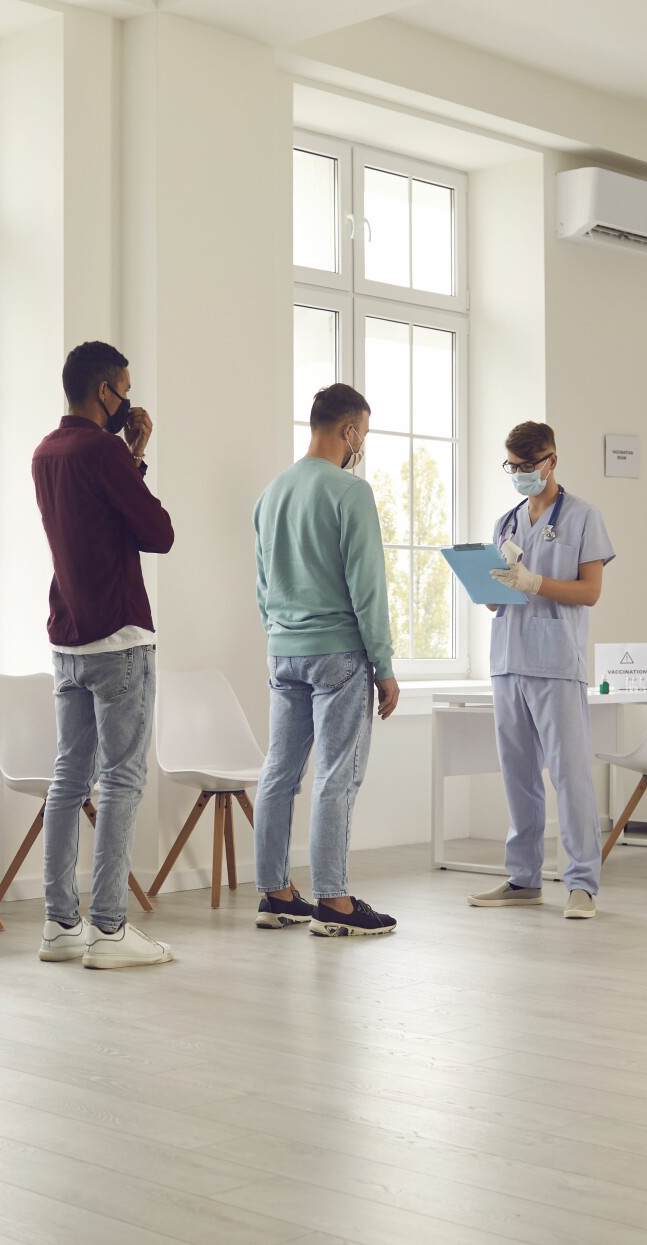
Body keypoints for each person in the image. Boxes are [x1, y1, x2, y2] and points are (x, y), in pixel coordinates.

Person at [32, 341, 176, 969]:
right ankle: (110, 930)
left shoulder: (47, 452)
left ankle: (60, 925)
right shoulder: (101, 450)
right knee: (121, 780)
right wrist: (133, 455)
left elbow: (97, 520)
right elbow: (158, 532)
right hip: (119, 637)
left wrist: (133, 456)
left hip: (67, 636)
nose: (128, 399)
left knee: (68, 778)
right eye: (124, 387)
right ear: (104, 391)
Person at [251, 383, 400, 937]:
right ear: (349, 430)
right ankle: (335, 903)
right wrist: (382, 666)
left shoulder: (272, 492)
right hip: (338, 653)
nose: (361, 442)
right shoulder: (349, 491)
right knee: (337, 777)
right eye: (362, 431)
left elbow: (263, 585)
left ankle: (276, 894)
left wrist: (279, 632)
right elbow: (368, 588)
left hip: (283, 651)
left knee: (279, 773)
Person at [467, 422, 613, 920]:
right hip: (508, 660)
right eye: (514, 467)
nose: (522, 474)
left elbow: (590, 591)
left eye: (530, 466)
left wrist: (535, 581)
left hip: (555, 661)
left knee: (570, 774)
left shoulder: (582, 517)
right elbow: (497, 602)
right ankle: (523, 878)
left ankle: (581, 884)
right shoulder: (506, 523)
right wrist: (489, 588)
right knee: (518, 774)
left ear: (552, 461)